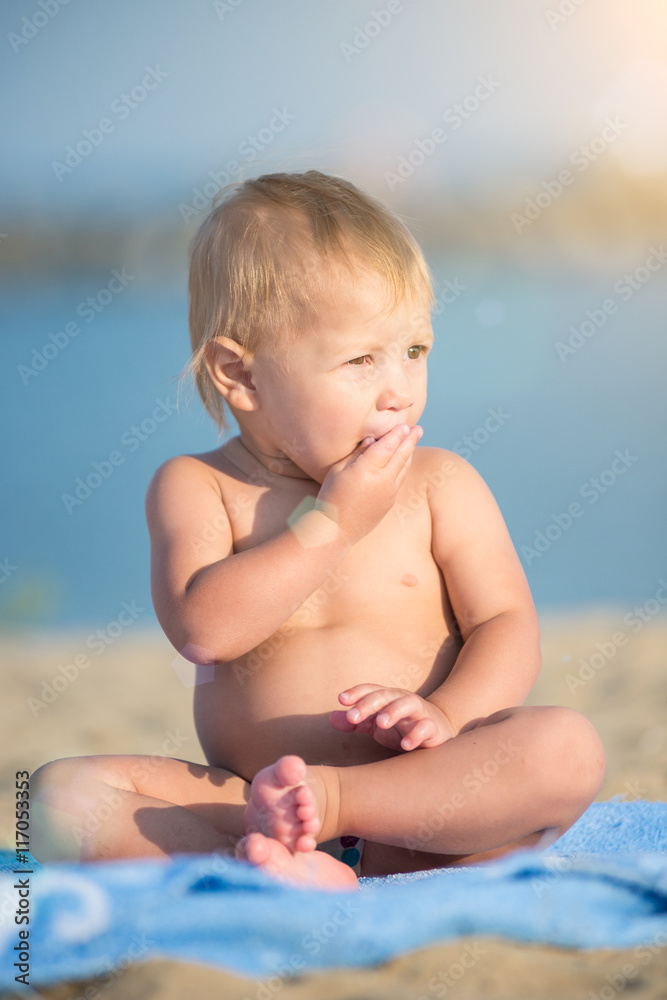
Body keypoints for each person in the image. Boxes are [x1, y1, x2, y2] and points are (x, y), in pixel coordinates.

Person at [32, 171, 605, 890]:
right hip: (257, 800)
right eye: (361, 359)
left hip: (427, 797)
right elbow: (203, 631)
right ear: (240, 376)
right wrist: (330, 523)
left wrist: (446, 715)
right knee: (56, 800)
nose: (398, 388)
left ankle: (338, 820)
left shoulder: (439, 483)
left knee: (566, 747)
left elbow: (504, 622)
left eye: (414, 351)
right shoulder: (200, 486)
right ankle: (268, 869)